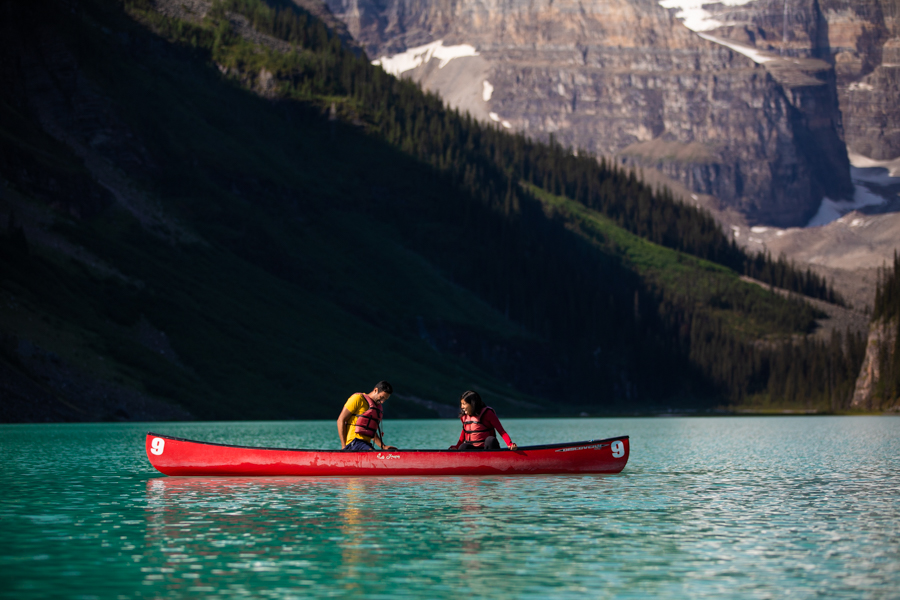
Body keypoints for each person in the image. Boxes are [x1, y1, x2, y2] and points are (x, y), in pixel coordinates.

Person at [337, 381, 398, 451]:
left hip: (366, 444)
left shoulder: (375, 407)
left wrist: (383, 446)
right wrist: (344, 446)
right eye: (381, 397)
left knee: (375, 453)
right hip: (354, 442)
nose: (382, 401)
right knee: (373, 455)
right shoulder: (358, 399)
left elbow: (370, 430)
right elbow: (341, 420)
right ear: (375, 390)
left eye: (385, 399)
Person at [450, 390, 517, 450]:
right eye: (461, 404)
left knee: (490, 440)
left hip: (487, 448)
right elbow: (464, 432)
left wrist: (510, 444)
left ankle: (493, 461)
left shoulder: (488, 414)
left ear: (472, 404)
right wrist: (457, 446)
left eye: (464, 404)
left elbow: (502, 431)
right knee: (463, 447)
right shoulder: (464, 417)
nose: (462, 407)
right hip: (473, 450)